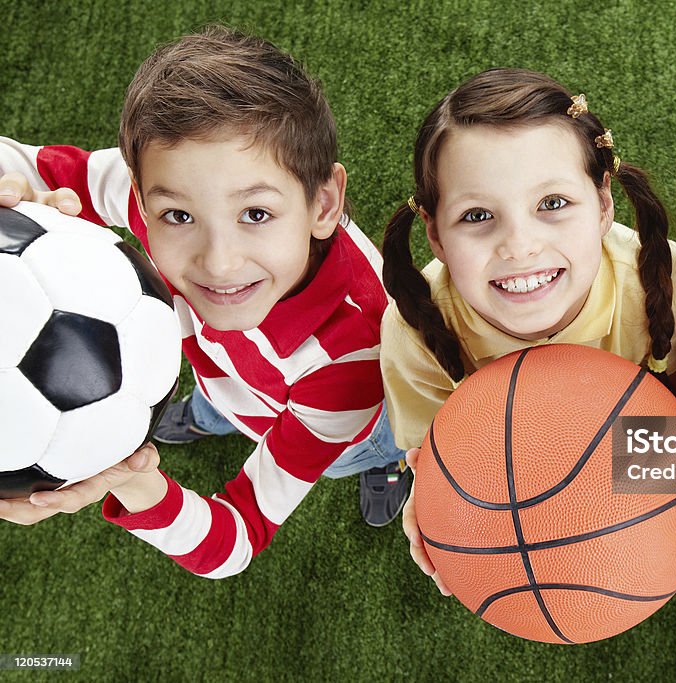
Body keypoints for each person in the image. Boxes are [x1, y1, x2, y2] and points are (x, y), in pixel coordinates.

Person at [0, 25, 411, 578]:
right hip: (223, 373)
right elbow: (21, 164)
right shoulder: (151, 191)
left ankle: (384, 466)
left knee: (369, 446)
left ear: (323, 203)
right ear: (143, 203)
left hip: (346, 421)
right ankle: (210, 412)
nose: (219, 262)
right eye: (178, 217)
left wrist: (136, 480)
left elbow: (236, 541)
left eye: (256, 215)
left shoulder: (348, 363)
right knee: (218, 398)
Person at [378, 68, 676, 595]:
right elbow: (434, 446)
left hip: (621, 448)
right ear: (435, 234)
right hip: (499, 458)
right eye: (477, 214)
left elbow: (675, 397)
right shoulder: (416, 332)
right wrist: (436, 492)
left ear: (603, 204)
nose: (519, 246)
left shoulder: (651, 284)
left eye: (552, 204)